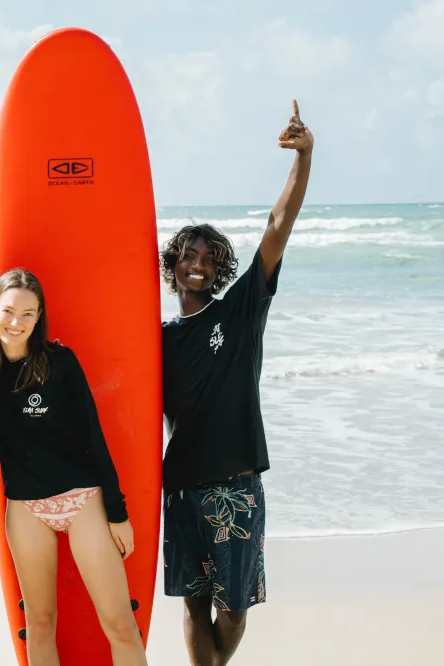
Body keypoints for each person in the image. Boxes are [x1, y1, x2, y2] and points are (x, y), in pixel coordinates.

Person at [159, 100, 314, 666]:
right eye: (188, 255)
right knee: (194, 604)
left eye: (208, 257)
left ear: (220, 268)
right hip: (181, 487)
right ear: (173, 264)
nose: (197, 264)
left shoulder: (241, 311)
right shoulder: (159, 337)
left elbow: (278, 226)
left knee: (236, 609)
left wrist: (304, 156)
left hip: (235, 484)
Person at [0, 269, 147, 666]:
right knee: (38, 622)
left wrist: (117, 514)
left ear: (39, 318)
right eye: (8, 311)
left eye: (28, 314)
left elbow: (94, 437)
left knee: (120, 622)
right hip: (24, 508)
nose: (16, 323)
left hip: (81, 498)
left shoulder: (60, 362)